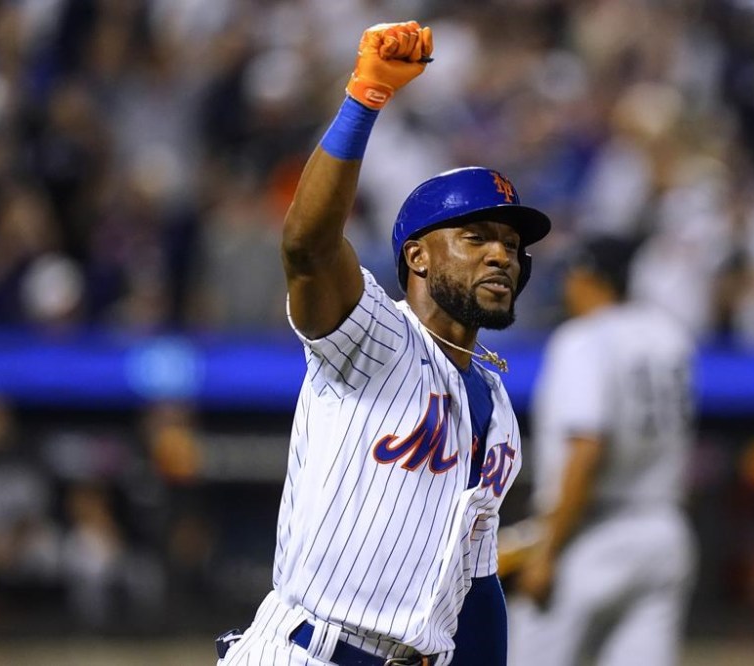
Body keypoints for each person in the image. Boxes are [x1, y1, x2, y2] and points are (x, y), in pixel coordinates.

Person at [216, 20, 551, 666]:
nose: (501, 255)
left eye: (510, 245)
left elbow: (475, 587)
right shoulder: (378, 335)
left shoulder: (500, 410)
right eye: (477, 237)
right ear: (418, 257)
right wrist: (364, 99)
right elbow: (307, 248)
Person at [505, 237, 697, 666]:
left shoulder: (583, 339)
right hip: (664, 528)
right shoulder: (671, 336)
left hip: (589, 532)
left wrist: (547, 551)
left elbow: (587, 447)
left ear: (588, 276)